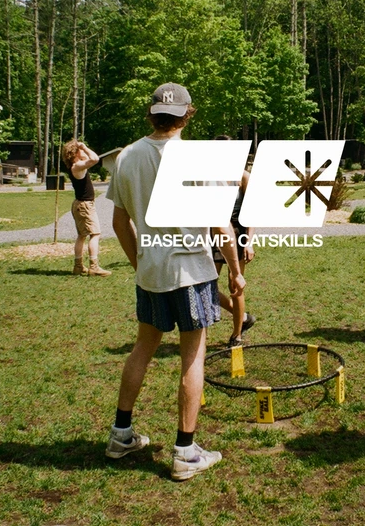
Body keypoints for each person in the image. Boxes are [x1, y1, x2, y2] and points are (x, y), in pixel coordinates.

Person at [106, 82, 246, 481]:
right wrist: (235, 271)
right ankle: (185, 451)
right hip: (191, 272)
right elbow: (220, 223)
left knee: (142, 348)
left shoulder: (127, 155)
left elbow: (119, 221)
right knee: (193, 357)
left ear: (152, 113)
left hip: (152, 271)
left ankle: (121, 434)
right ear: (188, 113)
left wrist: (140, 262)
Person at [212, 135, 256, 348]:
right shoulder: (207, 177)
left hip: (237, 234)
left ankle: (237, 335)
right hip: (212, 233)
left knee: (234, 285)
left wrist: (248, 242)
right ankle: (244, 317)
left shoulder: (243, 177)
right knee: (207, 283)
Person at [62, 139, 111, 277]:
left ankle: (78, 266)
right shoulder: (77, 166)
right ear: (75, 153)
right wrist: (83, 146)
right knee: (95, 234)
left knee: (82, 235)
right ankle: (94, 267)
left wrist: (82, 150)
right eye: (81, 150)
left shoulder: (76, 166)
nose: (84, 151)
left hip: (79, 204)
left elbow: (91, 159)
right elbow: (95, 159)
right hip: (85, 205)